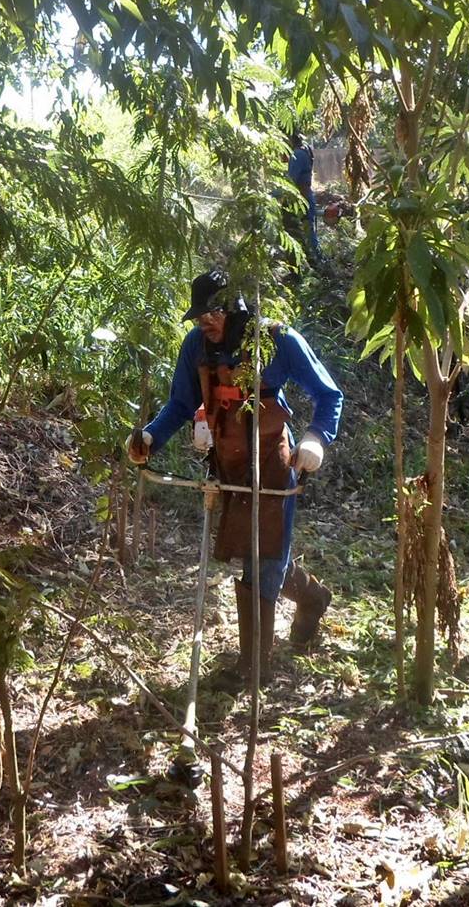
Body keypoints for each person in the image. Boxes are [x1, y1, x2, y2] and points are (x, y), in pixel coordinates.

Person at [128, 268, 342, 682]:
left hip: (274, 464)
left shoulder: (278, 339)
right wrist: (151, 437)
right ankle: (313, 597)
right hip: (227, 463)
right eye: (199, 317)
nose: (204, 323)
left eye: (213, 314)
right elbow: (179, 404)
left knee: (266, 555)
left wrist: (316, 438)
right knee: (250, 551)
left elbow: (328, 394)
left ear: (236, 309)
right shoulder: (196, 347)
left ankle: (252, 669)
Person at [287, 130, 322, 258]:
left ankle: (316, 262)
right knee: (310, 232)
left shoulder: (297, 155)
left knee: (307, 234)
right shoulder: (306, 150)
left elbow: (291, 180)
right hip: (308, 195)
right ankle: (317, 261)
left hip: (302, 199)